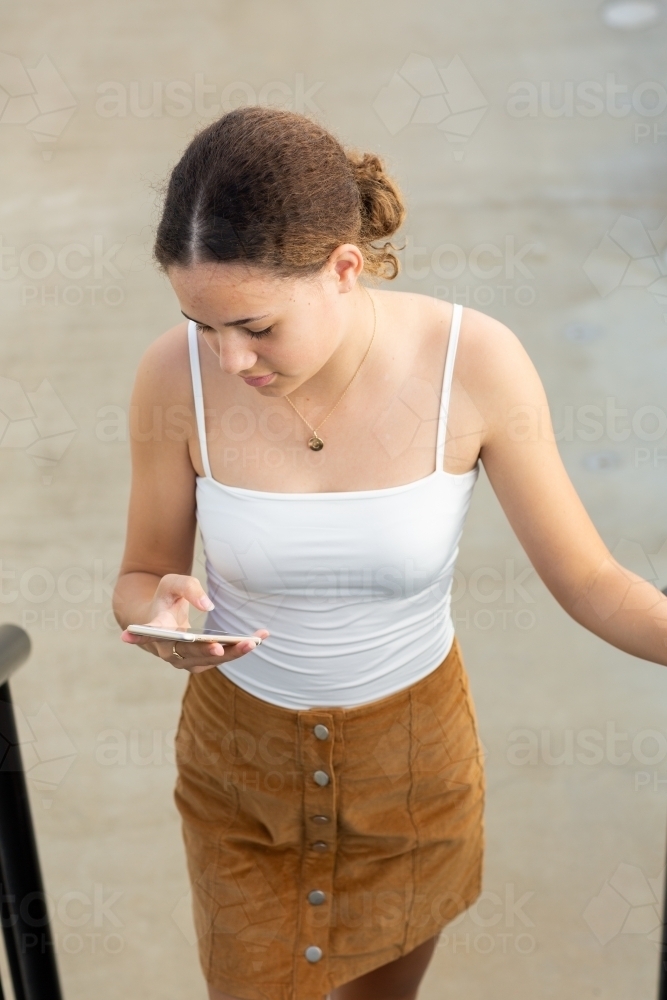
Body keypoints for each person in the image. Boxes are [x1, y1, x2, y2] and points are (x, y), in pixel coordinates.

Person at [112, 105, 667, 1000]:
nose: (226, 358)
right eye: (201, 324)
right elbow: (141, 577)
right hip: (239, 779)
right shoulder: (168, 377)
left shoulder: (474, 363)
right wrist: (157, 617)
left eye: (255, 325)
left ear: (343, 268)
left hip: (413, 772)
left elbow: (593, 582)